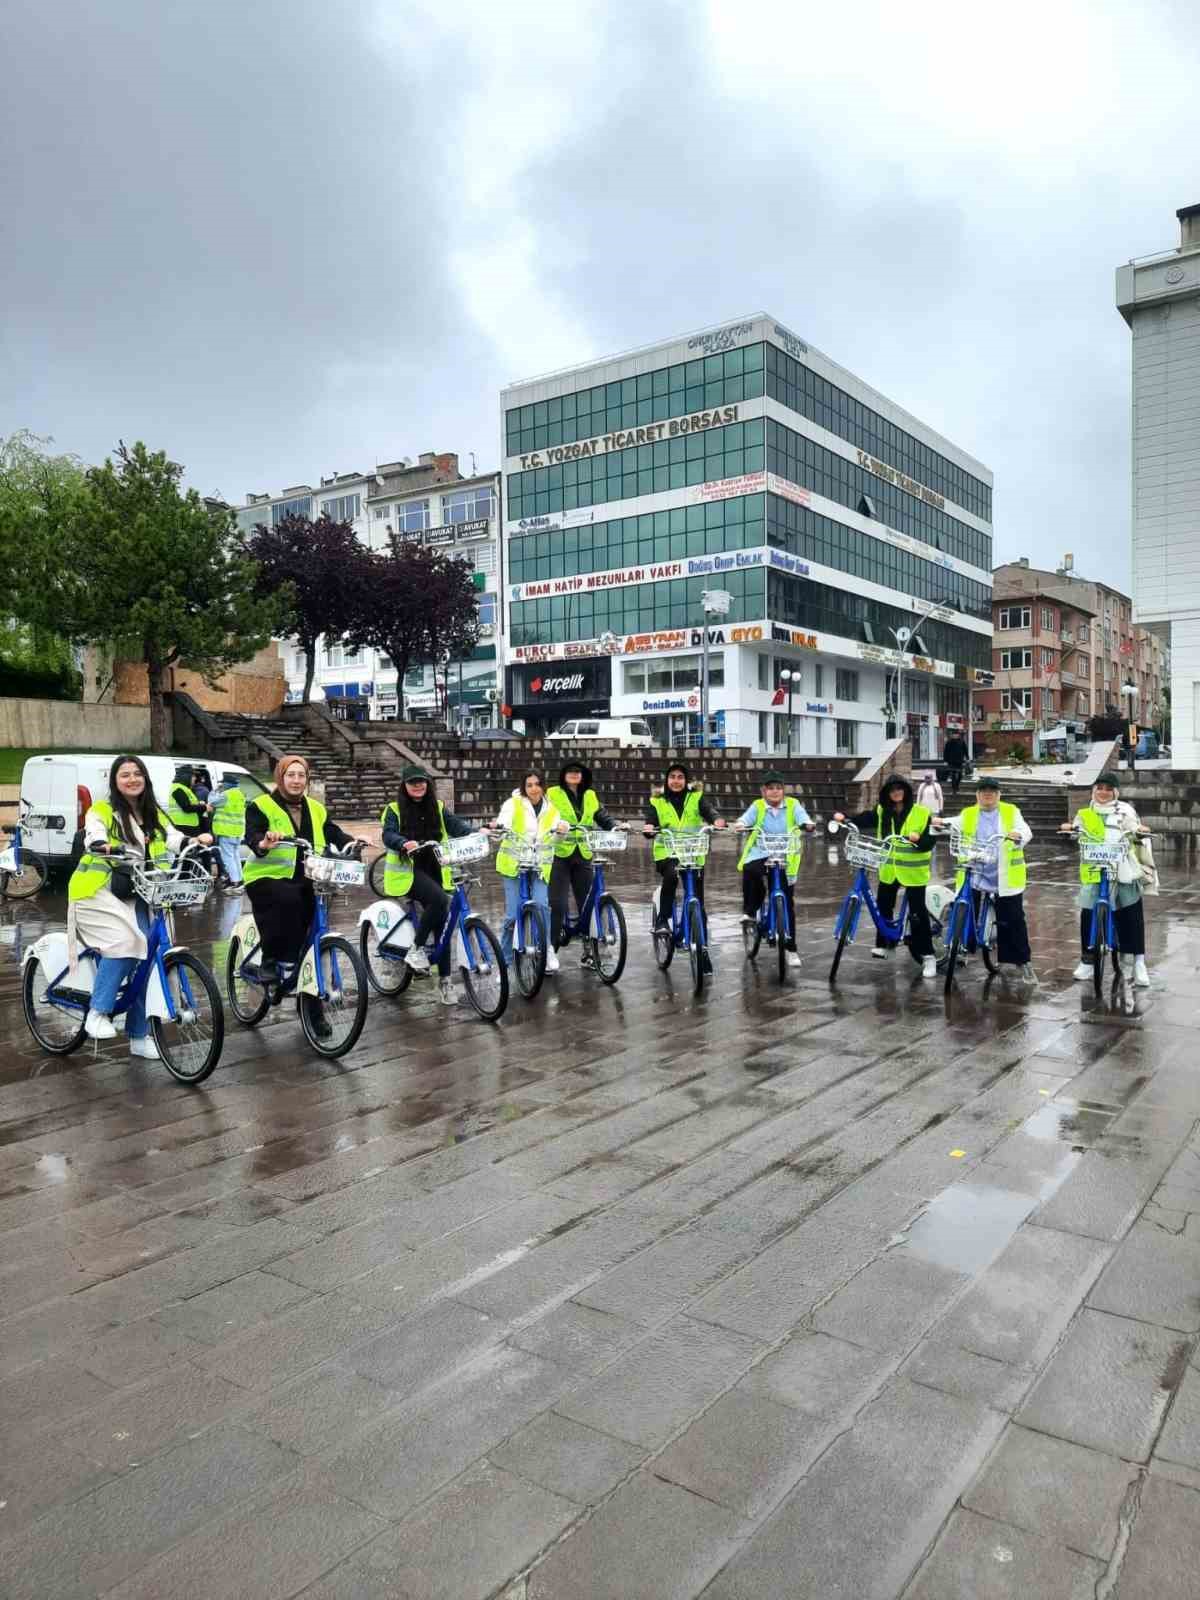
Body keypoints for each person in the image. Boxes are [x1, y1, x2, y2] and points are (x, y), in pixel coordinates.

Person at [69, 754, 209, 1057]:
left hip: (142, 891)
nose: (132, 779)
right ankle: (98, 1012)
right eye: (125, 775)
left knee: (154, 957)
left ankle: (138, 1035)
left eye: (137, 774)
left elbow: (173, 838)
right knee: (127, 943)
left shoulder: (152, 812)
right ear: (115, 782)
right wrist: (102, 845)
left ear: (145, 779)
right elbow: (93, 834)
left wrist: (193, 842)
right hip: (96, 890)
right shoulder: (102, 810)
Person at [243, 754, 365, 1035]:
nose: (296, 781)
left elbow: (331, 832)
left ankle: (312, 1009)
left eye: (301, 776)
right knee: (289, 900)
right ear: (280, 777)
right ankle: (272, 961)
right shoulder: (261, 805)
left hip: (310, 876)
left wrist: (352, 841)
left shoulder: (316, 808)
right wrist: (263, 842)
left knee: (315, 940)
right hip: (268, 877)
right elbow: (252, 836)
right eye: (291, 775)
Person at [379, 766, 476, 1005]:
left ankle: (445, 982)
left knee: (443, 925)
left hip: (436, 869)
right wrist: (403, 843)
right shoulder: (393, 810)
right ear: (404, 785)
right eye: (412, 782)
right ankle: (416, 948)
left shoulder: (438, 807)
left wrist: (475, 833)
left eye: (421, 781)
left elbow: (456, 826)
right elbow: (388, 835)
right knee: (441, 901)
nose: (418, 786)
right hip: (409, 872)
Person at [833, 775, 937, 977]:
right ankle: (886, 945)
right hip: (889, 870)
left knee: (917, 914)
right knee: (883, 905)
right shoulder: (882, 811)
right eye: (892, 790)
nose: (896, 792)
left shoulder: (922, 813)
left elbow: (930, 842)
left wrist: (918, 840)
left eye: (900, 789)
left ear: (906, 791)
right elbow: (865, 818)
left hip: (913, 872)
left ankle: (928, 956)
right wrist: (845, 818)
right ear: (887, 794)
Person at [1060, 771, 1151, 987]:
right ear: (1093, 791)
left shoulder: (1125, 810)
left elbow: (1133, 827)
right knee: (1088, 912)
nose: (1103, 792)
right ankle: (1088, 961)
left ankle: (1138, 961)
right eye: (1099, 788)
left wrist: (1139, 829)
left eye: (1108, 789)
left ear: (1115, 792)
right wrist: (1070, 828)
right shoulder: (1085, 812)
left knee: (1131, 911)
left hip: (1122, 868)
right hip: (1094, 868)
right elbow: (1076, 829)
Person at [947, 775, 1035, 981]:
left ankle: (1023, 962)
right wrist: (940, 822)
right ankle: (962, 948)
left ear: (998, 794)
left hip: (1004, 876)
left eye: (992, 791)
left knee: (1013, 919)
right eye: (984, 791)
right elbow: (955, 823)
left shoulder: (1010, 811)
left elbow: (1025, 829)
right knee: (964, 910)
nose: (988, 794)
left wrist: (1017, 834)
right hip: (976, 871)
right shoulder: (968, 813)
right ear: (977, 794)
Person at [642, 763, 725, 971]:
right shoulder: (657, 801)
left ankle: (703, 950)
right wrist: (649, 827)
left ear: (686, 780)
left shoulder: (696, 798)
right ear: (667, 780)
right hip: (667, 853)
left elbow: (709, 811)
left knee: (699, 902)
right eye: (672, 777)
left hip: (693, 853)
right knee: (670, 877)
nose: (676, 781)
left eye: (680, 777)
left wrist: (717, 820)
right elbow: (650, 820)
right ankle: (662, 920)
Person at [735, 771, 815, 969]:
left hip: (785, 855)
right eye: (770, 788)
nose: (775, 792)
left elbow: (804, 818)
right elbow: (745, 819)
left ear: (783, 790)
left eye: (778, 788)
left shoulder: (793, 805)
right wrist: (740, 824)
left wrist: (808, 824)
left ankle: (791, 949)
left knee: (787, 903)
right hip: (761, 853)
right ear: (764, 791)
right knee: (750, 871)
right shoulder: (758, 805)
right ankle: (750, 911)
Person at [546, 759, 621, 968]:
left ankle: (588, 951)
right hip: (560, 853)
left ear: (583, 776)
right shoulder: (552, 793)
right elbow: (545, 815)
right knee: (558, 904)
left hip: (583, 852)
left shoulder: (590, 795)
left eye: (578, 772)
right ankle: (550, 951)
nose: (574, 774)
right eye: (570, 771)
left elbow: (601, 815)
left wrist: (614, 826)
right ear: (563, 774)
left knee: (586, 903)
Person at [492, 771, 567, 974]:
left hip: (539, 865)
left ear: (543, 786)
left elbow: (557, 835)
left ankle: (548, 948)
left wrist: (562, 829)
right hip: (514, 865)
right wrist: (499, 827)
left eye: (537, 784)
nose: (534, 789)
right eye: (529, 785)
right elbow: (503, 823)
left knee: (542, 905)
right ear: (524, 787)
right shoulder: (513, 804)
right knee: (511, 916)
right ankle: (504, 963)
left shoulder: (551, 808)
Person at [209, 774, 246, 894]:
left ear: (227, 784)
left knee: (228, 858)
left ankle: (234, 883)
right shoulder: (240, 794)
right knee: (235, 857)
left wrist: (215, 790)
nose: (222, 785)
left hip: (226, 831)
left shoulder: (226, 795)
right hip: (237, 831)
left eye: (223, 783)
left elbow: (212, 802)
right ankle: (239, 881)